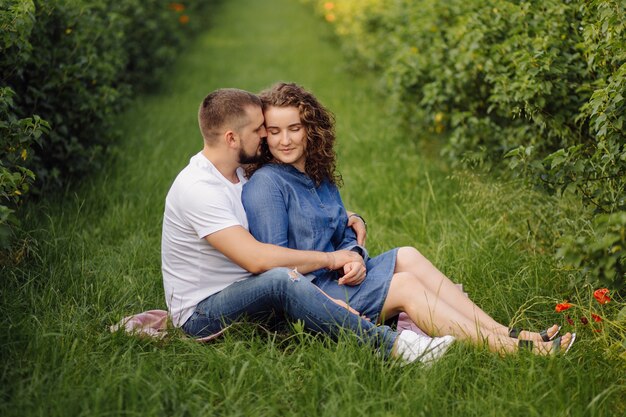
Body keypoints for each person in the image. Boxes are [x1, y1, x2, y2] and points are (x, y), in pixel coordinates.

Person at [241, 82, 576, 356]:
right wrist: (331, 292)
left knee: (407, 254)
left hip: (338, 280)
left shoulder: (317, 174)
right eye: (275, 131)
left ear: (310, 130)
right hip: (314, 300)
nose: (285, 140)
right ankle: (509, 351)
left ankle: (508, 332)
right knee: (405, 285)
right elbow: (277, 273)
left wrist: (355, 257)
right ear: (264, 136)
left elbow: (342, 230)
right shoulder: (267, 184)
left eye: (294, 128)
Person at [161, 88, 455, 365]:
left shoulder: (237, 174)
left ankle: (492, 333)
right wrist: (332, 260)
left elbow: (292, 204)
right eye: (259, 129)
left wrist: (348, 216)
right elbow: (258, 260)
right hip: (203, 312)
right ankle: (396, 347)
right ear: (231, 138)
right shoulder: (198, 188)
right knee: (280, 279)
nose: (266, 135)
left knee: (402, 258)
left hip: (245, 289)